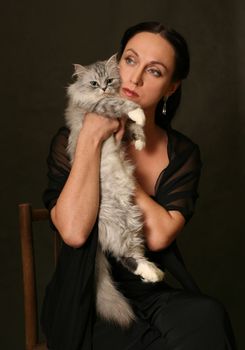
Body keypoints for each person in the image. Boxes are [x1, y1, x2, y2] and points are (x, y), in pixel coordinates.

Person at [41, 22, 237, 350]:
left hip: (152, 292)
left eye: (155, 71)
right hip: (86, 294)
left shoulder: (182, 152)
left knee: (207, 317)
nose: (135, 78)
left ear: (171, 88)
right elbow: (74, 232)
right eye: (130, 61)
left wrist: (116, 164)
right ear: (115, 65)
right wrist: (92, 135)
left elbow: (159, 235)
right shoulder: (70, 139)